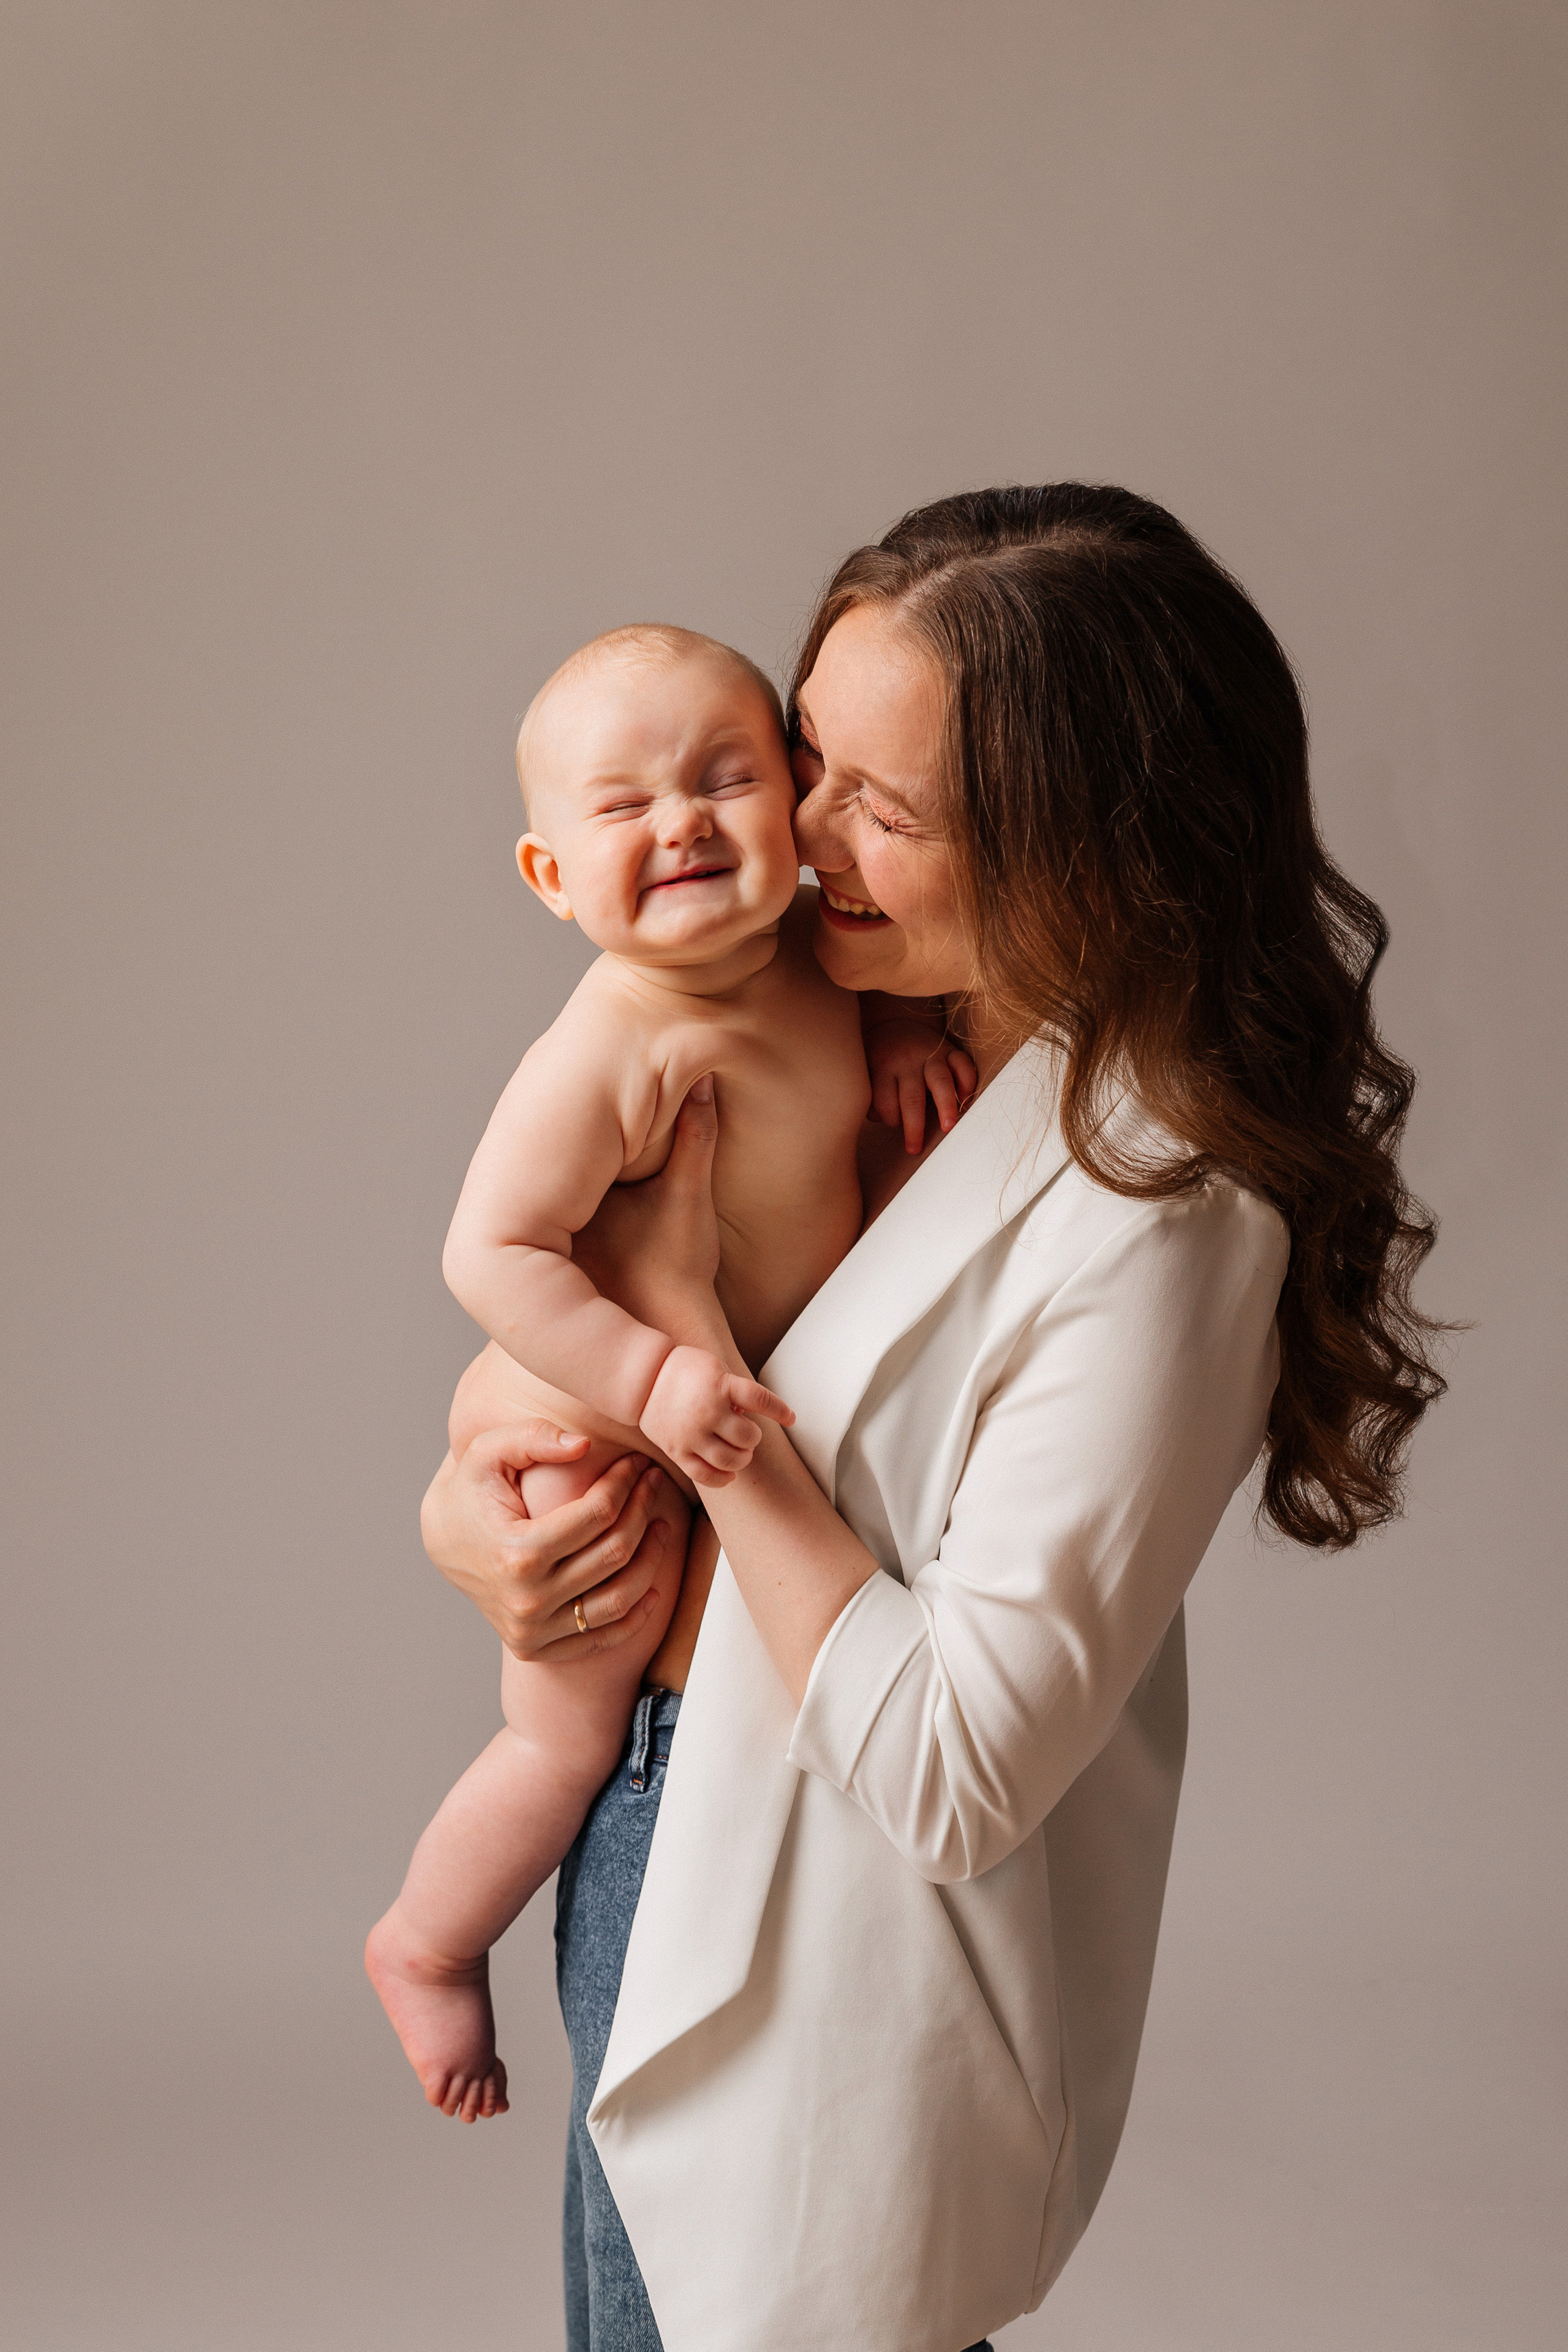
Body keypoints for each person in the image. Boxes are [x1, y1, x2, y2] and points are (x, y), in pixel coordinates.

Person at [420, 486, 1446, 2352]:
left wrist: (692, 1375)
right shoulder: (886, 1029)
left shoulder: (1163, 1208)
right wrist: (480, 1519)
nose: (802, 837)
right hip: (657, 1807)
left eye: (885, 812)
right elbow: (554, 1333)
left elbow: (956, 1768)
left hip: (825, 1936)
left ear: (1090, 856)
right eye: (809, 759)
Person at [366, 624, 971, 2123]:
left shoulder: (817, 954)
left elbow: (898, 967)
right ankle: (427, 1943)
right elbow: (491, 1253)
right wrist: (645, 1380)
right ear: (551, 877)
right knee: (562, 1735)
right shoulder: (614, 1044)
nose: (682, 823)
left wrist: (906, 1030)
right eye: (623, 806)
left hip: (709, 1418)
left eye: (725, 778)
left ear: (795, 807)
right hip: (587, 1445)